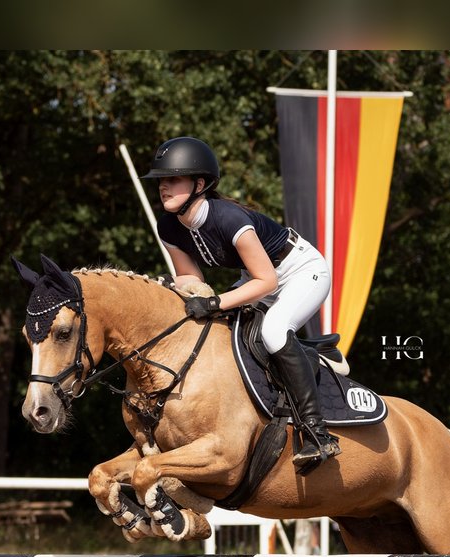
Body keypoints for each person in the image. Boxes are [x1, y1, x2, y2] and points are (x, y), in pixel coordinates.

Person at [142, 136, 340, 468]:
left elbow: (268, 281)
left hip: (300, 270)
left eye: (173, 179)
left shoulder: (228, 218)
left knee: (275, 332)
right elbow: (194, 283)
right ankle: (308, 356)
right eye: (162, 180)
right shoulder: (168, 227)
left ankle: (319, 434)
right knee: (215, 329)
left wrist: (217, 301)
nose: (164, 187)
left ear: (199, 184)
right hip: (258, 277)